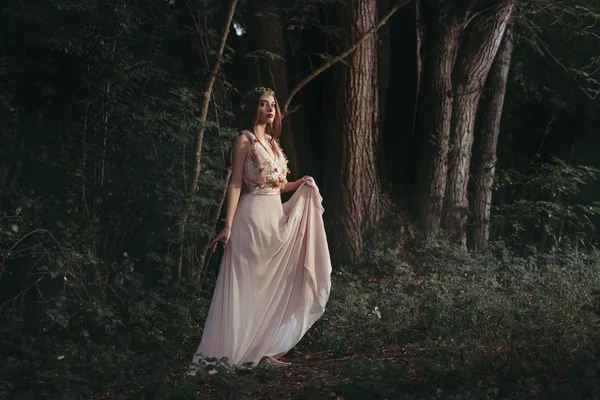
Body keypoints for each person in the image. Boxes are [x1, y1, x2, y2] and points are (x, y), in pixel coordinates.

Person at [189, 87, 332, 372]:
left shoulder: (272, 142)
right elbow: (236, 184)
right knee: (249, 286)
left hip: (273, 217)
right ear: (253, 107)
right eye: (264, 104)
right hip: (251, 217)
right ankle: (235, 352)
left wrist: (300, 183)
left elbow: (278, 186)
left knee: (271, 285)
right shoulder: (245, 140)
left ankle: (263, 347)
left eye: (273, 105)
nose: (270, 110)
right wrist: (227, 225)